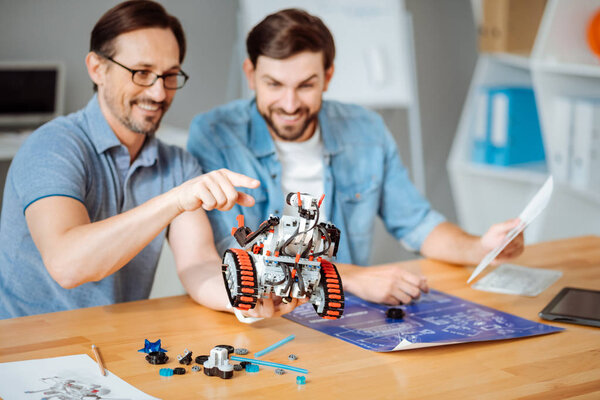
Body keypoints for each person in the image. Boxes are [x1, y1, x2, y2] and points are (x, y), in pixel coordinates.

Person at [187, 8, 524, 306]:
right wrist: (349, 278)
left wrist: (480, 247)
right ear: (251, 75)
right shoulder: (215, 133)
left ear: (328, 77)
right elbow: (234, 257)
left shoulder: (366, 130)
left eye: (306, 86)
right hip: (262, 313)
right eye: (274, 85)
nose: (289, 105)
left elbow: (417, 222)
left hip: (344, 311)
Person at [0, 0, 300, 320]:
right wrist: (175, 200)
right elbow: (67, 265)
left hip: (113, 345)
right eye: (142, 73)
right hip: (27, 353)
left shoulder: (177, 166)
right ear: (97, 68)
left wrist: (241, 294)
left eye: (170, 75)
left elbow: (198, 263)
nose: (159, 93)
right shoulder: (52, 146)